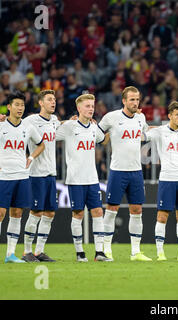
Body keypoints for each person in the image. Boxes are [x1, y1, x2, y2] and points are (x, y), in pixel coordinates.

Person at [0, 91, 45, 263]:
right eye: (17, 105)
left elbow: (41, 144)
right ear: (9, 107)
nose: (20, 108)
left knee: (17, 213)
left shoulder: (28, 127)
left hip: (22, 176)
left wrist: (31, 157)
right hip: (4, 176)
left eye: (22, 105)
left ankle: (10, 254)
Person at [98, 86, 151, 262]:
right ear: (124, 101)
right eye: (132, 99)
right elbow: (97, 134)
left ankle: (135, 252)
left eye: (137, 99)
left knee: (137, 210)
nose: (135, 103)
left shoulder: (141, 118)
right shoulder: (111, 117)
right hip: (117, 171)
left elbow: (147, 133)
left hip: (136, 171)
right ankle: (106, 250)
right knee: (111, 210)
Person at [56, 93, 111, 262]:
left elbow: (103, 140)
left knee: (97, 212)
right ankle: (80, 253)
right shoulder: (70, 127)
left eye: (92, 106)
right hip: (75, 180)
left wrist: (112, 129)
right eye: (87, 106)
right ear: (79, 108)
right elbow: (52, 131)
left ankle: (99, 252)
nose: (91, 109)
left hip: (92, 179)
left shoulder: (94, 127)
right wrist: (65, 121)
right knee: (78, 214)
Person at [144, 101, 178, 261]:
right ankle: (160, 253)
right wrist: (143, 124)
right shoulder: (160, 131)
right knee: (162, 216)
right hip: (167, 179)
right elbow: (143, 135)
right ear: (169, 116)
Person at [21, 90, 59, 262]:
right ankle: (27, 251)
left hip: (51, 173)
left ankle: (39, 251)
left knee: (49, 213)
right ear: (41, 103)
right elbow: (14, 124)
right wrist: (2, 120)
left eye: (54, 99)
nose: (53, 102)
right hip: (36, 173)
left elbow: (61, 126)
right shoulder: (31, 120)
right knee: (36, 212)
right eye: (49, 100)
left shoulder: (55, 120)